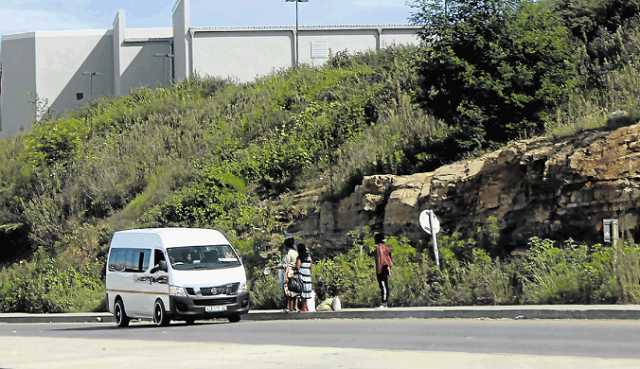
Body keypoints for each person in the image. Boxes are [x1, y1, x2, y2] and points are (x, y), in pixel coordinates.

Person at [269, 237, 300, 312]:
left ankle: (289, 307)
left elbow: (285, 265)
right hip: (295, 272)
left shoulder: (288, 254)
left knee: (288, 289)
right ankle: (295, 306)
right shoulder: (296, 253)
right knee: (295, 289)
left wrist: (274, 267)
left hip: (288, 272)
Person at [374, 233, 393, 309]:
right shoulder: (386, 247)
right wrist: (389, 267)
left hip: (381, 268)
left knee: (383, 286)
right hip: (386, 268)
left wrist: (379, 270)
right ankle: (384, 302)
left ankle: (384, 303)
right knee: (384, 285)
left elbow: (381, 260)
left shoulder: (379, 248)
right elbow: (389, 258)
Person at [296, 243, 313, 311]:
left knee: (302, 292)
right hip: (308, 276)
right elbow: (311, 266)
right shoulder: (309, 257)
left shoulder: (299, 257)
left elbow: (298, 266)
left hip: (302, 276)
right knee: (306, 292)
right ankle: (305, 306)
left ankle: (304, 306)